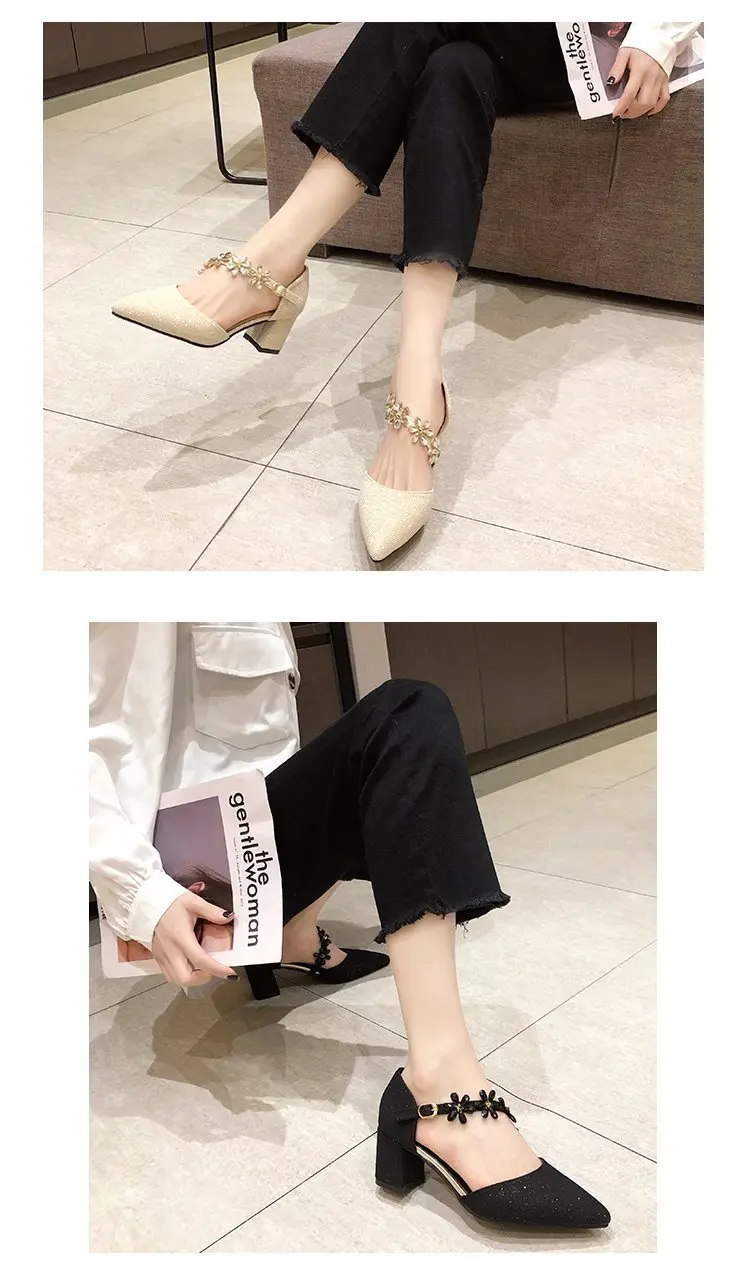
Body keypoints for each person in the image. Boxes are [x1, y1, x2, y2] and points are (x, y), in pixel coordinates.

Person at [112, 21, 701, 562]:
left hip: (601, 47)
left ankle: (269, 265)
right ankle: (419, 385)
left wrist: (659, 34)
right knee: (452, 70)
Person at [90, 621, 611, 1230]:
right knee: (407, 714)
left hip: (247, 834)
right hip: (179, 864)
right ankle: (443, 1091)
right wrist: (140, 890)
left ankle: (293, 934)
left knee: (393, 755)